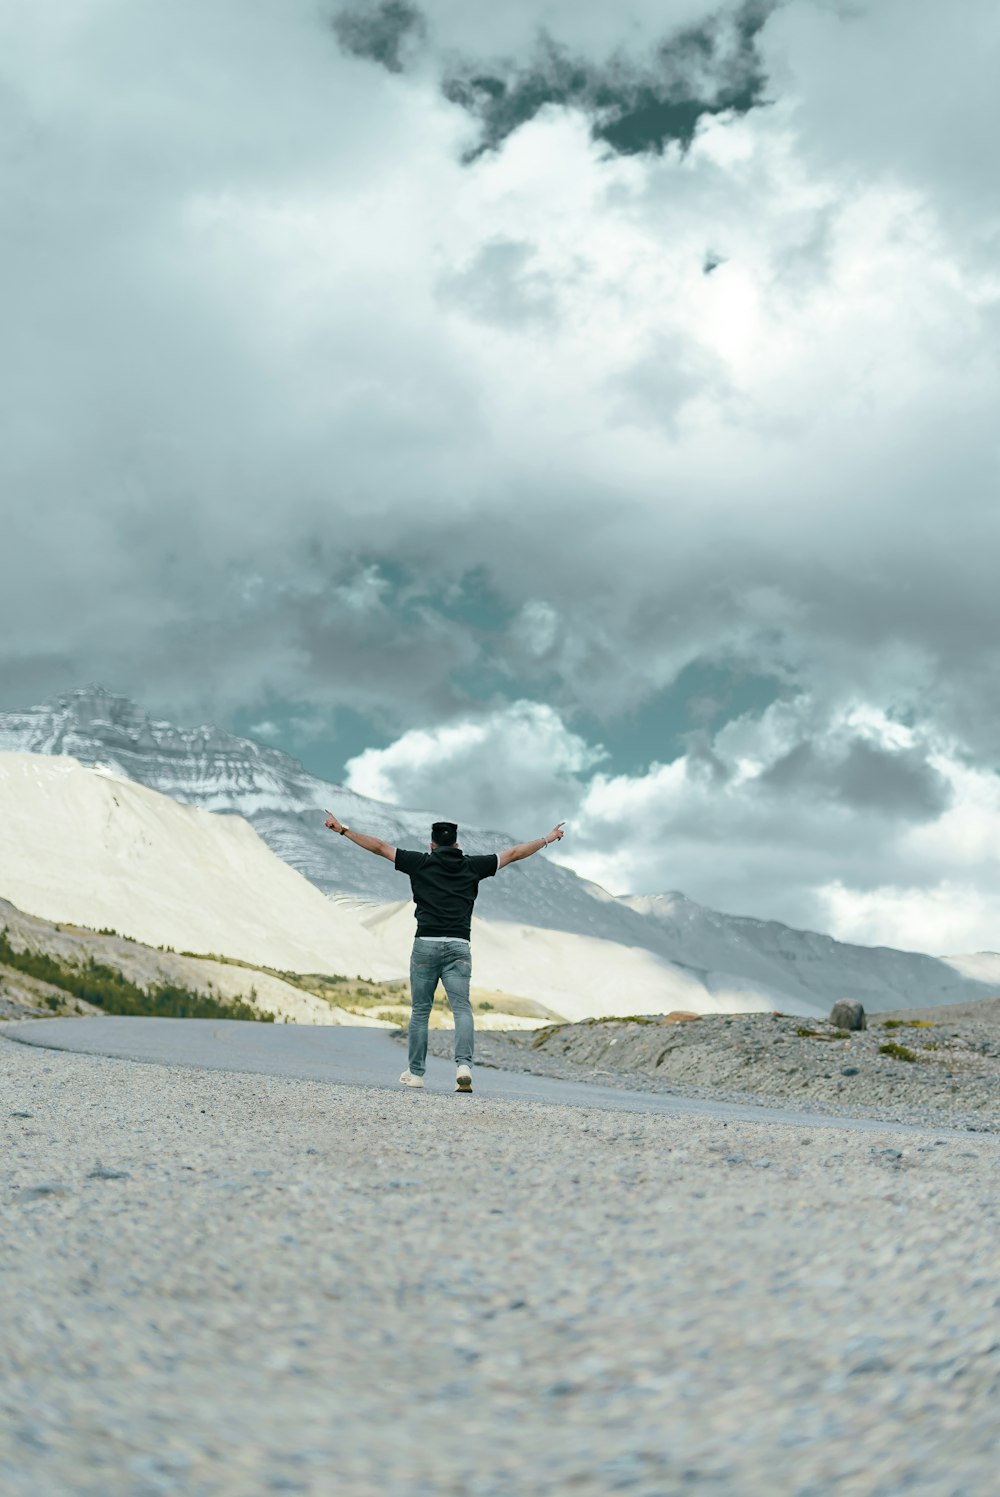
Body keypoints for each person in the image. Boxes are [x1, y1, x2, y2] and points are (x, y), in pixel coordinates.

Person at [323, 812, 565, 1092]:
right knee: (462, 1008)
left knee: (421, 1010)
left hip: (426, 943)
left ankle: (415, 1074)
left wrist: (342, 830)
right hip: (459, 946)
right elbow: (513, 853)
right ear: (457, 844)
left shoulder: (420, 862)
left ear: (432, 844)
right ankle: (463, 1066)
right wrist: (548, 838)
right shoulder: (473, 866)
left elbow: (379, 847)